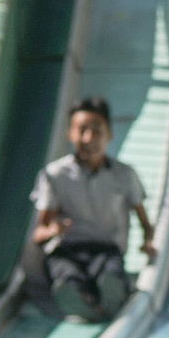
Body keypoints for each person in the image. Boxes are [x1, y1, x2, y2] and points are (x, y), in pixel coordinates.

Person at [31, 96, 155, 322]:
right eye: (81, 130)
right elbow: (39, 233)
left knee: (109, 270)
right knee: (65, 273)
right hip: (66, 249)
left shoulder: (124, 175)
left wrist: (147, 242)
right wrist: (52, 231)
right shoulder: (55, 175)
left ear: (109, 134)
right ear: (70, 133)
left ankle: (109, 293)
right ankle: (78, 298)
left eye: (96, 131)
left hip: (105, 249)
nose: (88, 138)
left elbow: (144, 221)